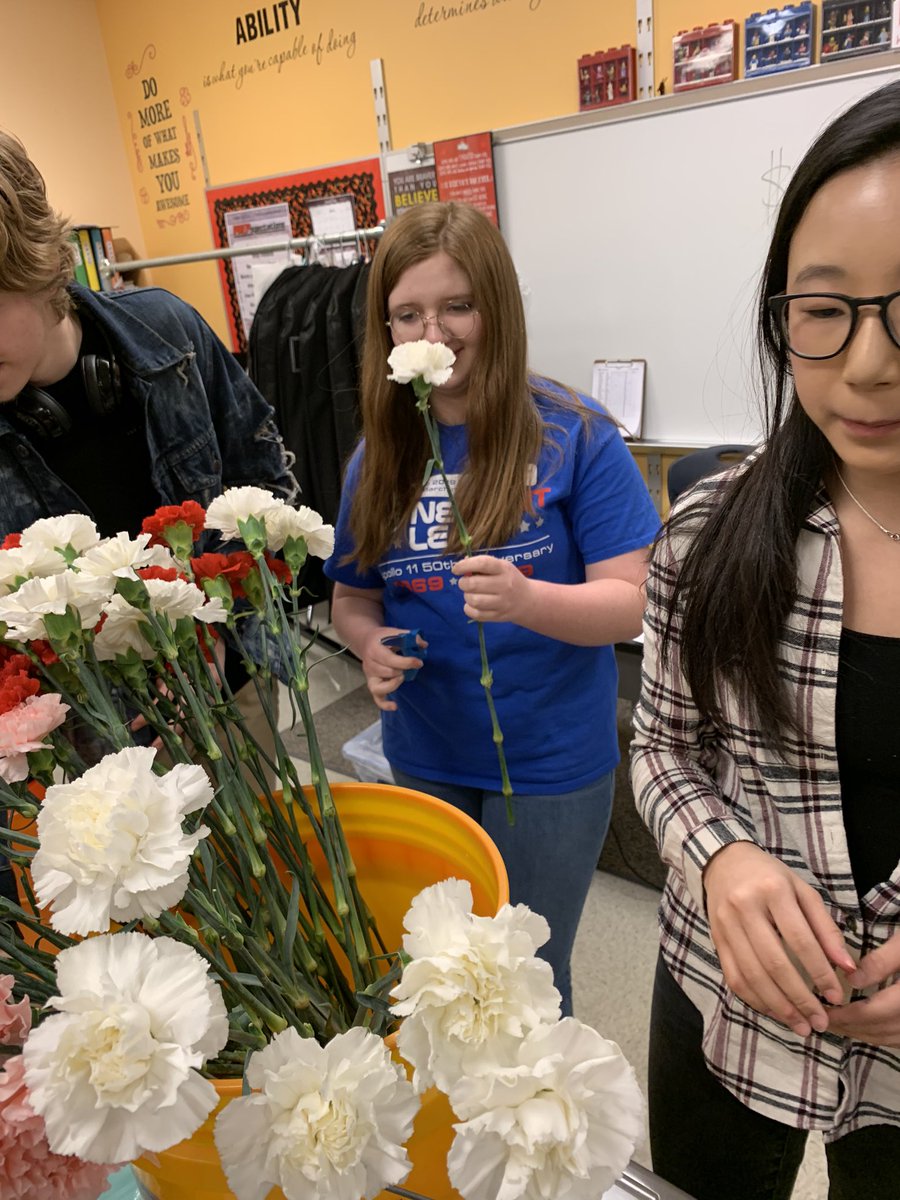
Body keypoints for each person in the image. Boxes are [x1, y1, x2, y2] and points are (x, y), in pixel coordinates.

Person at [631, 80, 900, 1200]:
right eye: (822, 309)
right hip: (722, 1005)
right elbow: (659, 749)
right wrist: (720, 857)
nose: (869, 363)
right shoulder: (711, 532)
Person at [325, 201, 660, 1015]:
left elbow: (629, 606)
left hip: (551, 761)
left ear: (497, 310)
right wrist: (367, 645)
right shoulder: (379, 457)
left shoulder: (575, 434)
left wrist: (526, 599)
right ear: (387, 329)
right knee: (449, 969)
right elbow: (351, 597)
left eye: (456, 305)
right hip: (428, 753)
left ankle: (545, 1133)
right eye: (409, 313)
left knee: (529, 975)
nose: (433, 330)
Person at [0, 131, 297, 894]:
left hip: (233, 708)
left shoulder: (173, 335)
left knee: (275, 904)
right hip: (84, 780)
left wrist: (233, 636)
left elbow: (268, 492)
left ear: (36, 266)